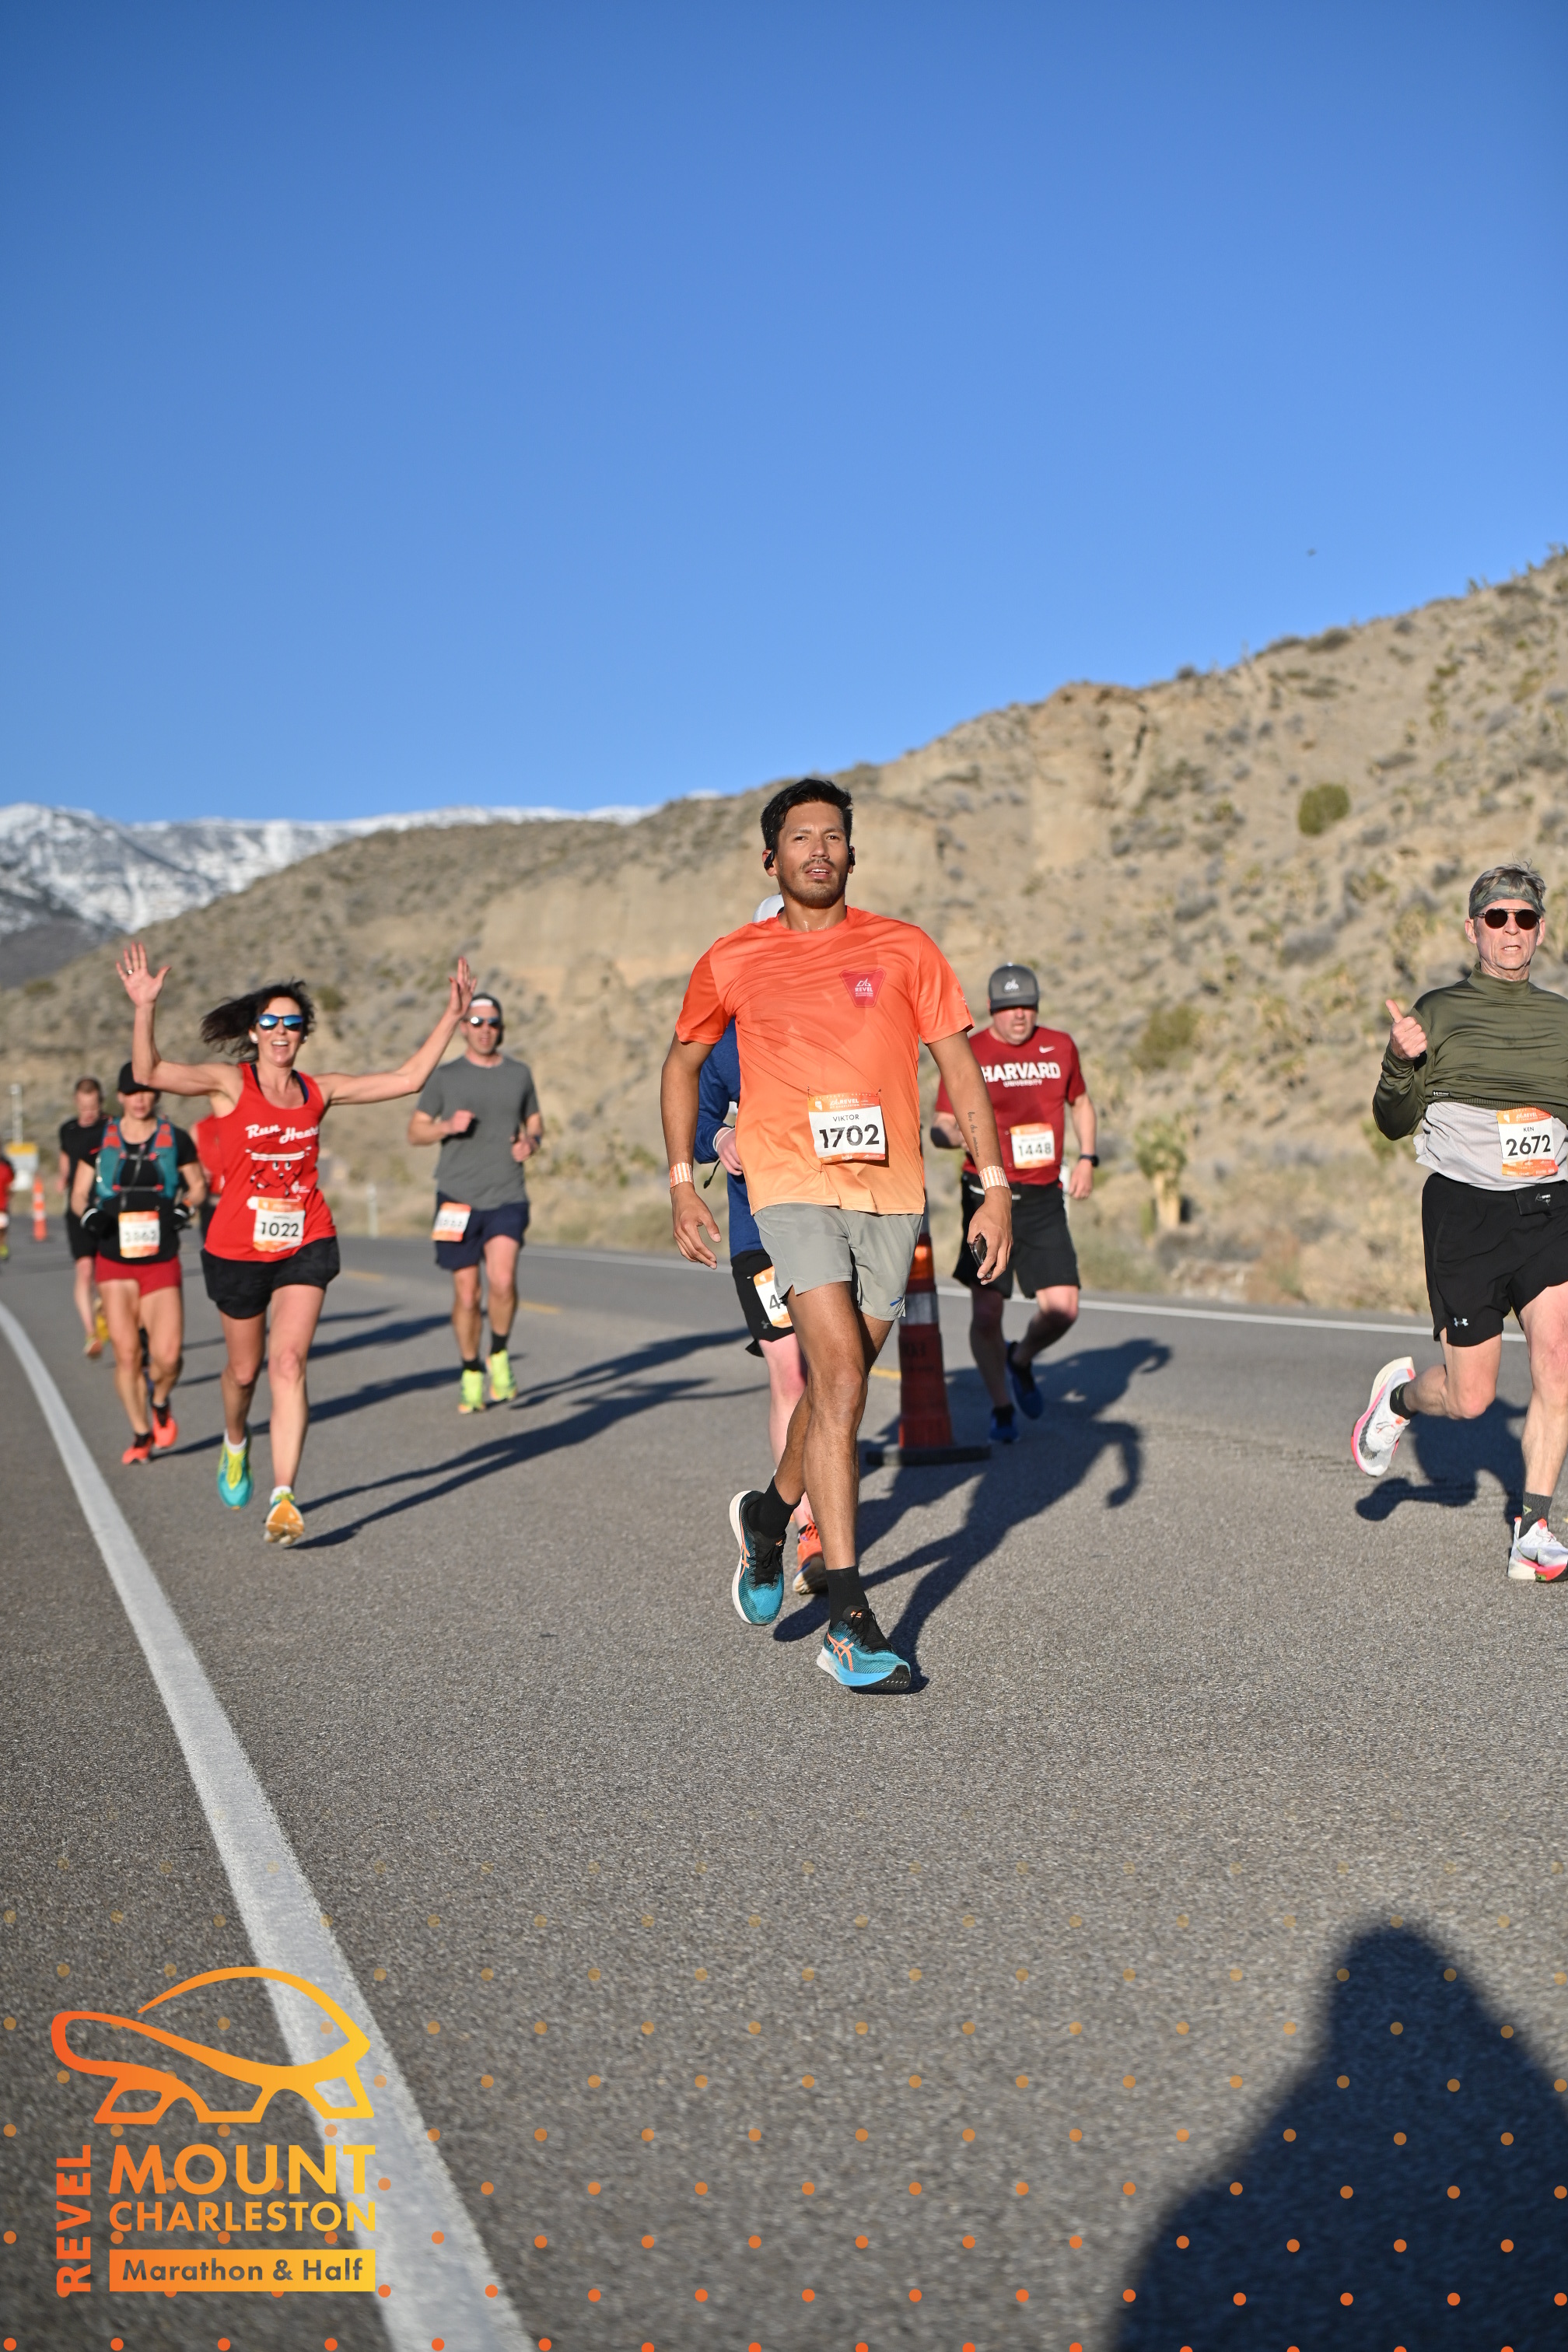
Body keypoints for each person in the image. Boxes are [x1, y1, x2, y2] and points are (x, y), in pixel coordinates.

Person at [660, 777, 1012, 1693]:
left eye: (832, 836)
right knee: (844, 1379)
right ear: (769, 858)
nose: (817, 850)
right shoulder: (732, 958)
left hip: (890, 1195)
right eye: (799, 837)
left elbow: (961, 1070)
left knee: (833, 1387)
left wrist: (995, 1188)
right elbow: (683, 1063)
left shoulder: (905, 948)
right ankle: (850, 1621)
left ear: (852, 853)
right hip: (790, 1191)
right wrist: (682, 1184)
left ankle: (769, 1516)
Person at [117, 940, 475, 1545]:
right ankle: (236, 1440)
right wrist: (145, 1006)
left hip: (306, 1237)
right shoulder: (230, 1085)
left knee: (288, 1363)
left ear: (303, 1034)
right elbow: (150, 1073)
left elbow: (408, 1078)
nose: (281, 1032)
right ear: (253, 1032)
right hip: (237, 1248)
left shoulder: (318, 1091)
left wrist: (452, 1016)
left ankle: (283, 1496)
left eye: (291, 1023)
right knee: (244, 1371)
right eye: (270, 1022)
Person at [1353, 863, 1568, 1582]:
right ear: (1472, 929)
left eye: (1524, 918)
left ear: (1540, 930)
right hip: (1466, 1214)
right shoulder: (1438, 1013)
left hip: (1549, 1208)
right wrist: (1398, 1062)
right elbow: (1392, 1123)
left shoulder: (1561, 1021)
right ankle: (1399, 1400)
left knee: (1559, 1363)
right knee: (1470, 1399)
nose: (1512, 930)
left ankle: (1533, 1527)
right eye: (1497, 917)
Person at [694, 899, 823, 1597]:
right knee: (791, 1373)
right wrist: (719, 1137)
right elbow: (695, 1115)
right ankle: (809, 1529)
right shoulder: (728, 1040)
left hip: (832, 1225)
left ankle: (794, 1511)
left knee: (835, 1377)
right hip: (759, 1233)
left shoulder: (838, 1027)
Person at [931, 963, 1097, 1443]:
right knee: (987, 1313)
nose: (1019, 1015)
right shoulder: (971, 1051)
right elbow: (942, 1123)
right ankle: (1002, 1406)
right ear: (990, 1009)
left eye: (1027, 1006)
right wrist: (952, 1135)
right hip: (987, 1194)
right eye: (1008, 1008)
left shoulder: (1060, 1046)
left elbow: (1081, 1102)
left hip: (1043, 1195)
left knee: (1063, 1308)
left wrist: (1087, 1158)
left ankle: (1020, 1358)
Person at [407, 992, 544, 1412]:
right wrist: (447, 1126)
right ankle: (470, 1370)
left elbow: (534, 1120)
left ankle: (498, 1352)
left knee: (501, 1281)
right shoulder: (445, 1077)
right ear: (464, 1028)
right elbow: (416, 1131)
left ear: (501, 1028)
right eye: (477, 1022)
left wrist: (530, 1142)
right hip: (456, 1198)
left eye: (493, 1022)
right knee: (467, 1295)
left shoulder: (519, 1074)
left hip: (506, 1193)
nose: (486, 1030)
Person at [72, 1063, 205, 1464]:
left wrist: (185, 1208)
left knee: (168, 1356)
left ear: (156, 1094)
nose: (140, 1099)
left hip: (160, 1258)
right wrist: (88, 1215)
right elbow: (78, 1194)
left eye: (146, 1091)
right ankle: (141, 1433)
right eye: (132, 1093)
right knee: (127, 1355)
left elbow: (198, 1185)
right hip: (114, 1257)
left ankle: (160, 1399)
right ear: (120, 1097)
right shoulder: (97, 1140)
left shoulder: (175, 1139)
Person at [58, 1075, 109, 1353]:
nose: (89, 1112)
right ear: (76, 1103)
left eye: (93, 1106)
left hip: (106, 1208)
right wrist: (62, 1177)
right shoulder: (68, 1130)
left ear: (101, 1102)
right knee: (85, 1269)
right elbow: (66, 1157)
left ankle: (106, 1309)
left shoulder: (111, 1126)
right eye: (84, 1107)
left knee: (105, 1270)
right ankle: (91, 1334)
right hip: (78, 1209)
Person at [191, 1098, 233, 1242]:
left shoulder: (250, 1125)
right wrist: (198, 1172)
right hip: (212, 1204)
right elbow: (190, 1166)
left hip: (241, 1205)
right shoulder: (200, 1128)